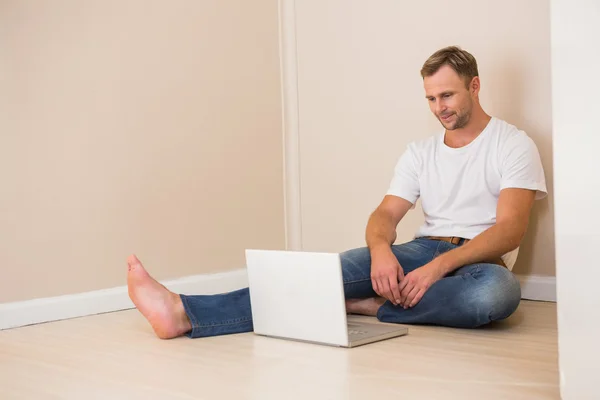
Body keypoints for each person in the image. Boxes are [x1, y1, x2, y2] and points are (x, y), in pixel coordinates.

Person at [127, 46, 547, 339]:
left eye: (448, 95)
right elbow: (384, 215)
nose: (440, 107)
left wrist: (440, 269)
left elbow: (510, 231)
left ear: (475, 86)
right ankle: (183, 313)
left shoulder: (512, 144)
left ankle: (367, 306)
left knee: (495, 296)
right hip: (421, 250)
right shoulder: (419, 152)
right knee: (328, 272)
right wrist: (381, 250)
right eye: (431, 98)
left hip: (479, 260)